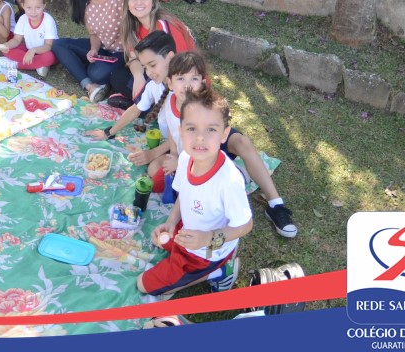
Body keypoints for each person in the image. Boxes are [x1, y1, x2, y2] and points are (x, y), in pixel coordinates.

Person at [127, 47, 298, 239]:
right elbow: (174, 136)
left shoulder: (208, 105)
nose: (187, 85)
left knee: (242, 142)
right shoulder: (169, 103)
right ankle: (239, 173)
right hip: (191, 152)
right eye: (181, 79)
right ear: (170, 83)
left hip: (211, 143)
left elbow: (216, 130)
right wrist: (174, 156)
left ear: (202, 82)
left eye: (194, 79)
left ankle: (276, 205)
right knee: (155, 173)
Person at [136, 85, 253, 300]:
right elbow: (184, 194)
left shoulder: (228, 181)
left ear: (224, 134)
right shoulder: (185, 158)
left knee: (143, 285)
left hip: (207, 252)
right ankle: (197, 260)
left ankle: (219, 271)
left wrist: (209, 238)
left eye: (211, 129)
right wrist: (171, 221)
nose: (200, 138)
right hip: (188, 232)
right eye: (191, 129)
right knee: (160, 240)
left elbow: (245, 225)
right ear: (180, 131)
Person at [107, 0, 195, 106]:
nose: (139, 3)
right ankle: (142, 104)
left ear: (153, 1)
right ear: (127, 4)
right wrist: (138, 76)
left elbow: (184, 66)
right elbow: (133, 58)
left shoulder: (165, 25)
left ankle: (143, 106)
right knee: (117, 76)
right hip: (156, 74)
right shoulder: (133, 26)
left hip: (182, 82)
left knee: (134, 86)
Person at [51, 0, 126, 102]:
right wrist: (94, 50)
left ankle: (88, 72)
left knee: (97, 73)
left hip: (123, 52)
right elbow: (94, 35)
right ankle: (89, 85)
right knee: (58, 44)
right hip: (103, 50)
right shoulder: (85, 2)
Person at [0, 0, 58, 77]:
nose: (33, 12)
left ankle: (15, 64)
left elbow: (48, 46)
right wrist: (7, 45)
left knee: (50, 57)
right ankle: (38, 65)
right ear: (23, 6)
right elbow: (16, 40)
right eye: (29, 7)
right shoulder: (23, 19)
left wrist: (33, 50)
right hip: (28, 50)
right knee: (7, 50)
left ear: (44, 5)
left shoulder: (48, 20)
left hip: (45, 51)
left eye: (38, 7)